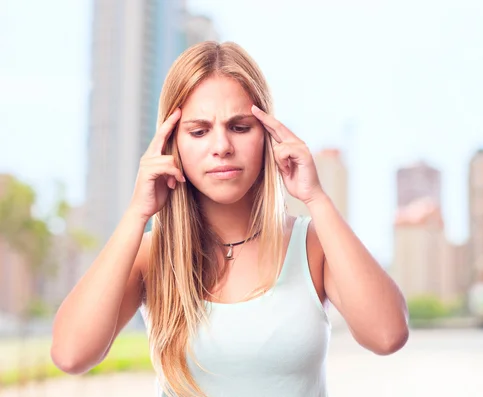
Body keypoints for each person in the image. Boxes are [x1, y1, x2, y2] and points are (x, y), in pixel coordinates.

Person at [51, 41, 409, 397]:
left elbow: (387, 335)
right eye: (199, 131)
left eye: (239, 127)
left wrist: (317, 198)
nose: (221, 146)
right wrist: (136, 214)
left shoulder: (313, 245)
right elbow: (71, 355)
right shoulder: (150, 255)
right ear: (171, 144)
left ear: (268, 136)